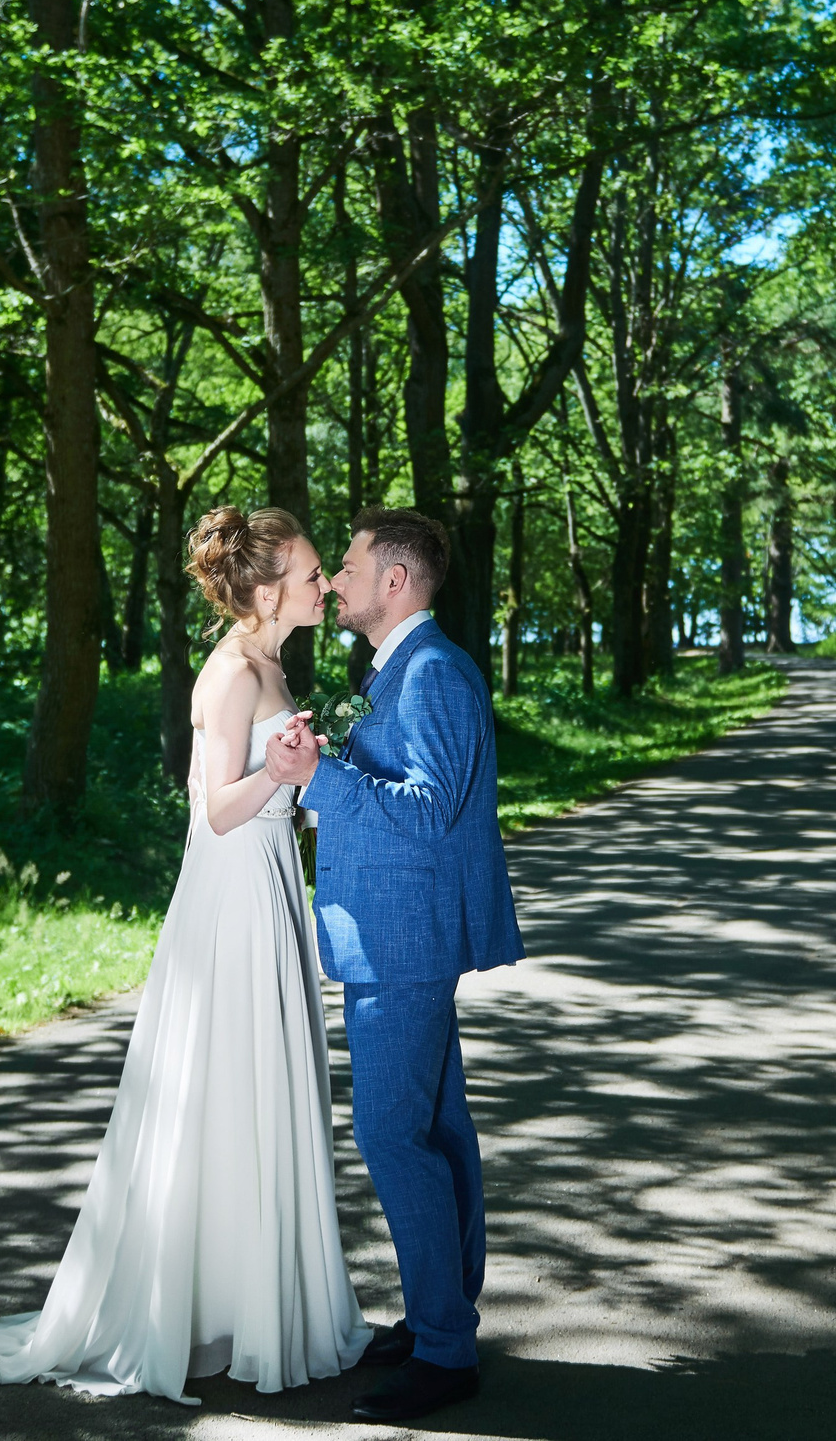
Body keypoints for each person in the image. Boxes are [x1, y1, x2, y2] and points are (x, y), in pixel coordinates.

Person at [0, 506, 372, 1403]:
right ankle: (191, 1314)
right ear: (265, 590)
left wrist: (301, 775)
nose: (321, 584)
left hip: (269, 887)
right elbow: (215, 810)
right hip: (229, 900)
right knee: (224, 1094)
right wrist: (283, 770)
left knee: (262, 1092)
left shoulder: (272, 662)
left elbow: (268, 803)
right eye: (308, 573)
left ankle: (249, 1306)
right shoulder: (228, 675)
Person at [265, 507, 525, 1426]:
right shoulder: (400, 671)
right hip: (395, 931)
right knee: (439, 1129)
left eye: (348, 564)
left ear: (396, 581)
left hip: (402, 940)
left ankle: (446, 1350)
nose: (334, 578)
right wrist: (327, 761)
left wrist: (316, 777)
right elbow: (401, 791)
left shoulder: (436, 674)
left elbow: (425, 812)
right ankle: (437, 1318)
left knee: (392, 1135)